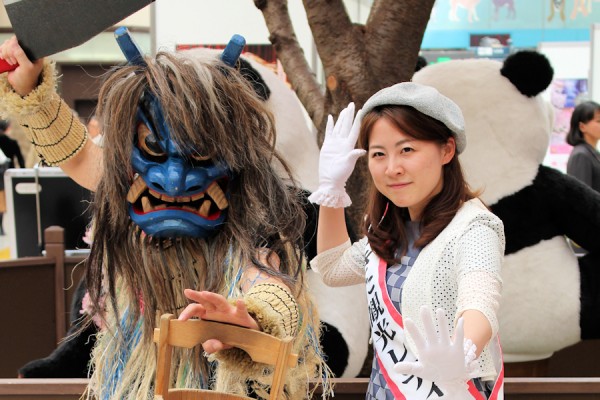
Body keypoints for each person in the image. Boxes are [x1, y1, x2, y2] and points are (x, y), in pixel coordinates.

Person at [0, 34, 331, 400]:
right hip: (134, 380)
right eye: (154, 148)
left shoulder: (252, 221)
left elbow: (269, 282)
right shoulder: (124, 183)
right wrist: (30, 88)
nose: (174, 181)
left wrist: (249, 318)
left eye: (201, 155)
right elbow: (76, 154)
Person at [309, 82, 505, 399]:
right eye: (378, 154)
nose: (392, 168)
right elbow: (333, 269)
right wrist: (331, 190)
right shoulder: (392, 230)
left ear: (447, 150)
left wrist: (463, 351)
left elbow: (480, 301)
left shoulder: (473, 227)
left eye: (407, 150)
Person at [566, 101, 600, 193]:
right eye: (598, 121)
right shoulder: (581, 155)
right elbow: (580, 197)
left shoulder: (592, 152)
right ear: (582, 127)